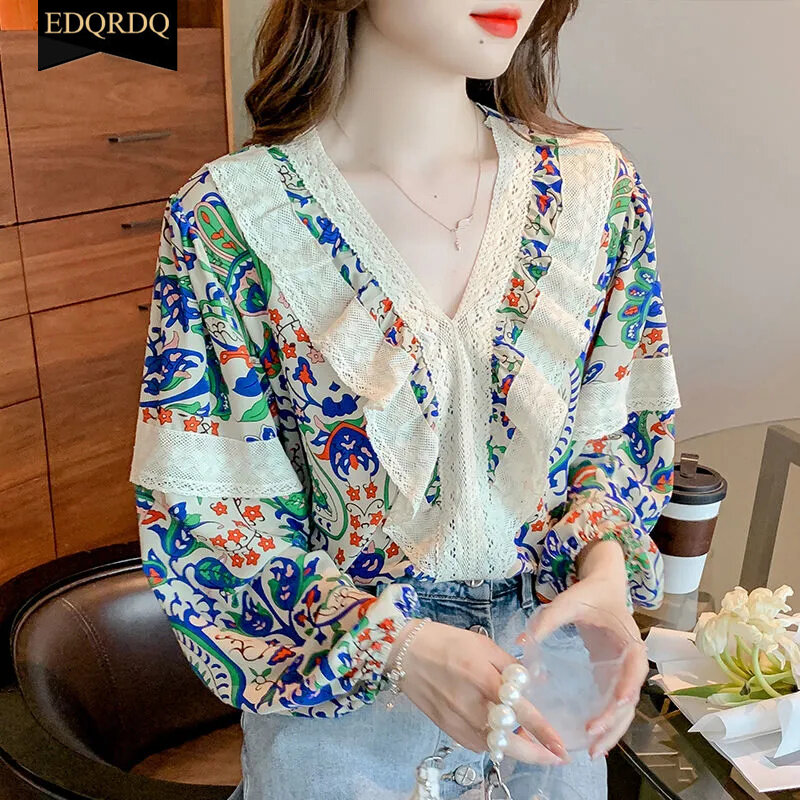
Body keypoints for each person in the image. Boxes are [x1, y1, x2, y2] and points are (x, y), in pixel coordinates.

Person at [129, 1, 681, 797]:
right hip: (342, 709)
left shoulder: (598, 194)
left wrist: (604, 570)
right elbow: (215, 518)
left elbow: (614, 437)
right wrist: (394, 644)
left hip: (555, 689)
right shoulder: (230, 218)